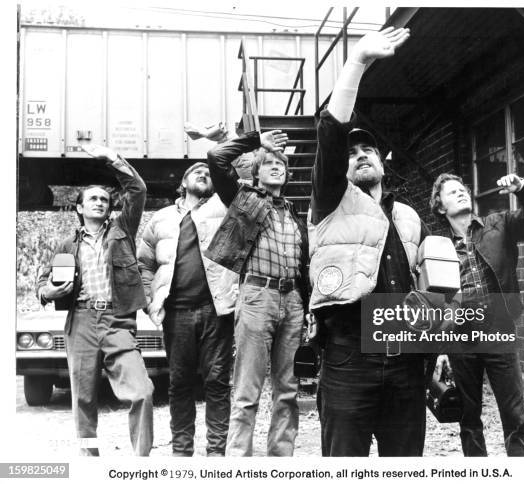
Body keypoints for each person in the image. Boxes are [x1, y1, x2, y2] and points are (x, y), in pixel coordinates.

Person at [309, 27, 434, 457]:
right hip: (348, 360)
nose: (360, 154)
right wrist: (357, 62)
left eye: (369, 151)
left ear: (382, 163)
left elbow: (430, 286)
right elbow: (330, 131)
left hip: (406, 364)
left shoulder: (410, 216)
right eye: (351, 152)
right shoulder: (329, 202)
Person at [36, 144, 153, 456]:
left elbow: (137, 189)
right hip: (82, 321)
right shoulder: (66, 245)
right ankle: (89, 461)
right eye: (94, 199)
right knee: (84, 400)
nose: (100, 203)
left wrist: (113, 159)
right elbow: (42, 283)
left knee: (141, 392)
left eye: (104, 199)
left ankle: (143, 464)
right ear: (80, 208)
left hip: (117, 321)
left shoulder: (123, 231)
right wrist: (49, 291)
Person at [204, 129, 309, 456]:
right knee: (247, 391)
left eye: (282, 163)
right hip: (256, 296)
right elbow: (216, 158)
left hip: (292, 301)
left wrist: (306, 307)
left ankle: (280, 462)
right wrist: (256, 141)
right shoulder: (243, 199)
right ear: (256, 172)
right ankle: (239, 464)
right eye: (269, 162)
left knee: (288, 391)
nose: (277, 166)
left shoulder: (295, 214)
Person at [430, 172, 524, 456]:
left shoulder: (500, 224)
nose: (461, 193)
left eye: (462, 189)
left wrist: (522, 188)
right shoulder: (436, 247)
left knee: (514, 416)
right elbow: (433, 300)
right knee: (468, 419)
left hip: (498, 329)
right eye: (451, 192)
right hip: (460, 338)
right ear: (440, 207)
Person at [137, 162, 238, 456]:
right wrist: (148, 298)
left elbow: (238, 175)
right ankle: (182, 453)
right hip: (177, 313)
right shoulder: (161, 218)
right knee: (179, 383)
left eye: (208, 172)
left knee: (217, 381)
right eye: (197, 171)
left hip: (216, 311)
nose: (204, 174)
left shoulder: (224, 208)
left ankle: (216, 453)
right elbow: (144, 263)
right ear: (183, 183)